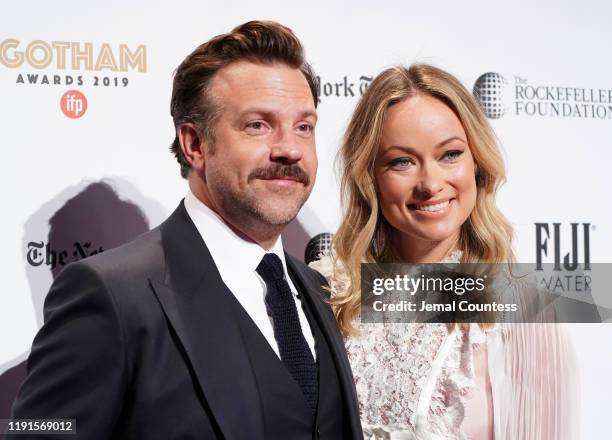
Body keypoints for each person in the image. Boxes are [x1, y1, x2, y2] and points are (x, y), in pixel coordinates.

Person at [8, 21, 362, 440]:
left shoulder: (319, 290)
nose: (290, 148)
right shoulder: (110, 295)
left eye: (304, 126)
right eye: (258, 125)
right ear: (195, 144)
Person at [310, 64, 578, 439]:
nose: (431, 184)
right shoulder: (331, 290)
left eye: (450, 154)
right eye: (401, 161)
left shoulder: (524, 308)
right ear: (369, 175)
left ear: (477, 163)